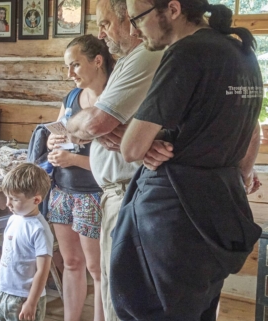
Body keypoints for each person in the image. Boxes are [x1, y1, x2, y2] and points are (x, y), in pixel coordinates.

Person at [112, 0, 263, 318]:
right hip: (220, 209)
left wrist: (150, 140)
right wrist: (237, 176)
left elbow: (131, 149)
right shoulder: (243, 53)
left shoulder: (186, 53)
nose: (135, 30)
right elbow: (254, 134)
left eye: (138, 17)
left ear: (173, 9)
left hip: (170, 217)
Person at [64, 0, 164, 319]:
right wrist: (90, 127)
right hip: (115, 194)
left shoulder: (146, 56)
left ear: (130, 22)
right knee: (111, 287)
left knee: (120, 293)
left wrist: (83, 127)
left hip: (126, 193)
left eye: (105, 23)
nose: (101, 32)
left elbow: (94, 124)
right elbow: (95, 124)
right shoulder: (126, 61)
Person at [46, 34, 114, 321]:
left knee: (97, 269)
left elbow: (116, 159)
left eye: (74, 65)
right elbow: (59, 132)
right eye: (67, 66)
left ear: (97, 61)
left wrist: (74, 159)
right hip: (63, 189)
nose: (69, 73)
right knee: (70, 263)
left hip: (94, 193)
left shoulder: (113, 99)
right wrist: (52, 144)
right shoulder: (72, 97)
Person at [0, 162, 53, 321]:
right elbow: (7, 256)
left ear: (36, 200)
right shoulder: (13, 220)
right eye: (7, 197)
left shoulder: (39, 229)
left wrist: (32, 303)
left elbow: (42, 270)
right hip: (5, 292)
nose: (7, 203)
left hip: (24, 297)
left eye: (14, 199)